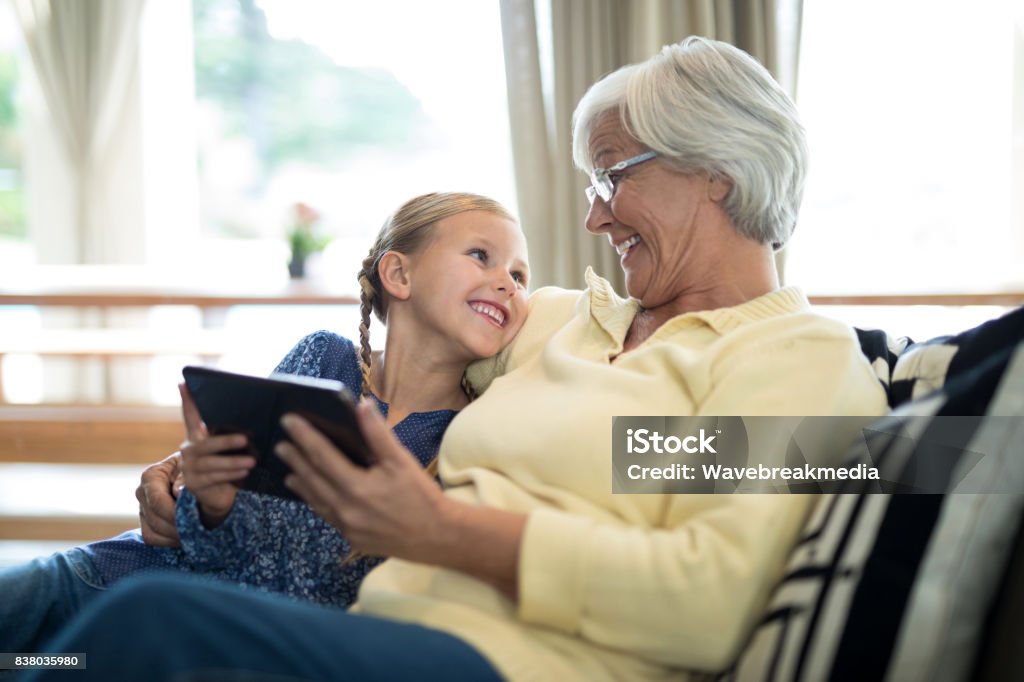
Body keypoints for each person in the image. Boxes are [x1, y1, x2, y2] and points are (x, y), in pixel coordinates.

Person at [28, 37, 889, 682]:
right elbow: (396, 368)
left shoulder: (788, 359)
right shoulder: (555, 322)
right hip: (382, 625)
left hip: (513, 665)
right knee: (45, 638)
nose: (594, 218)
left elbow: (704, 602)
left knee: (152, 625)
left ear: (717, 172)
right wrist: (202, 473)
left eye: (612, 176)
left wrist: (439, 531)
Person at [0, 191, 529, 653]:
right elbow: (216, 539)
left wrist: (217, 509)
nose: (508, 282)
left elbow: (320, 595)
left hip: (195, 635)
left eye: (521, 275)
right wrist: (209, 500)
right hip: (108, 579)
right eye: (482, 256)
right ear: (398, 274)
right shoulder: (325, 359)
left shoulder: (467, 435)